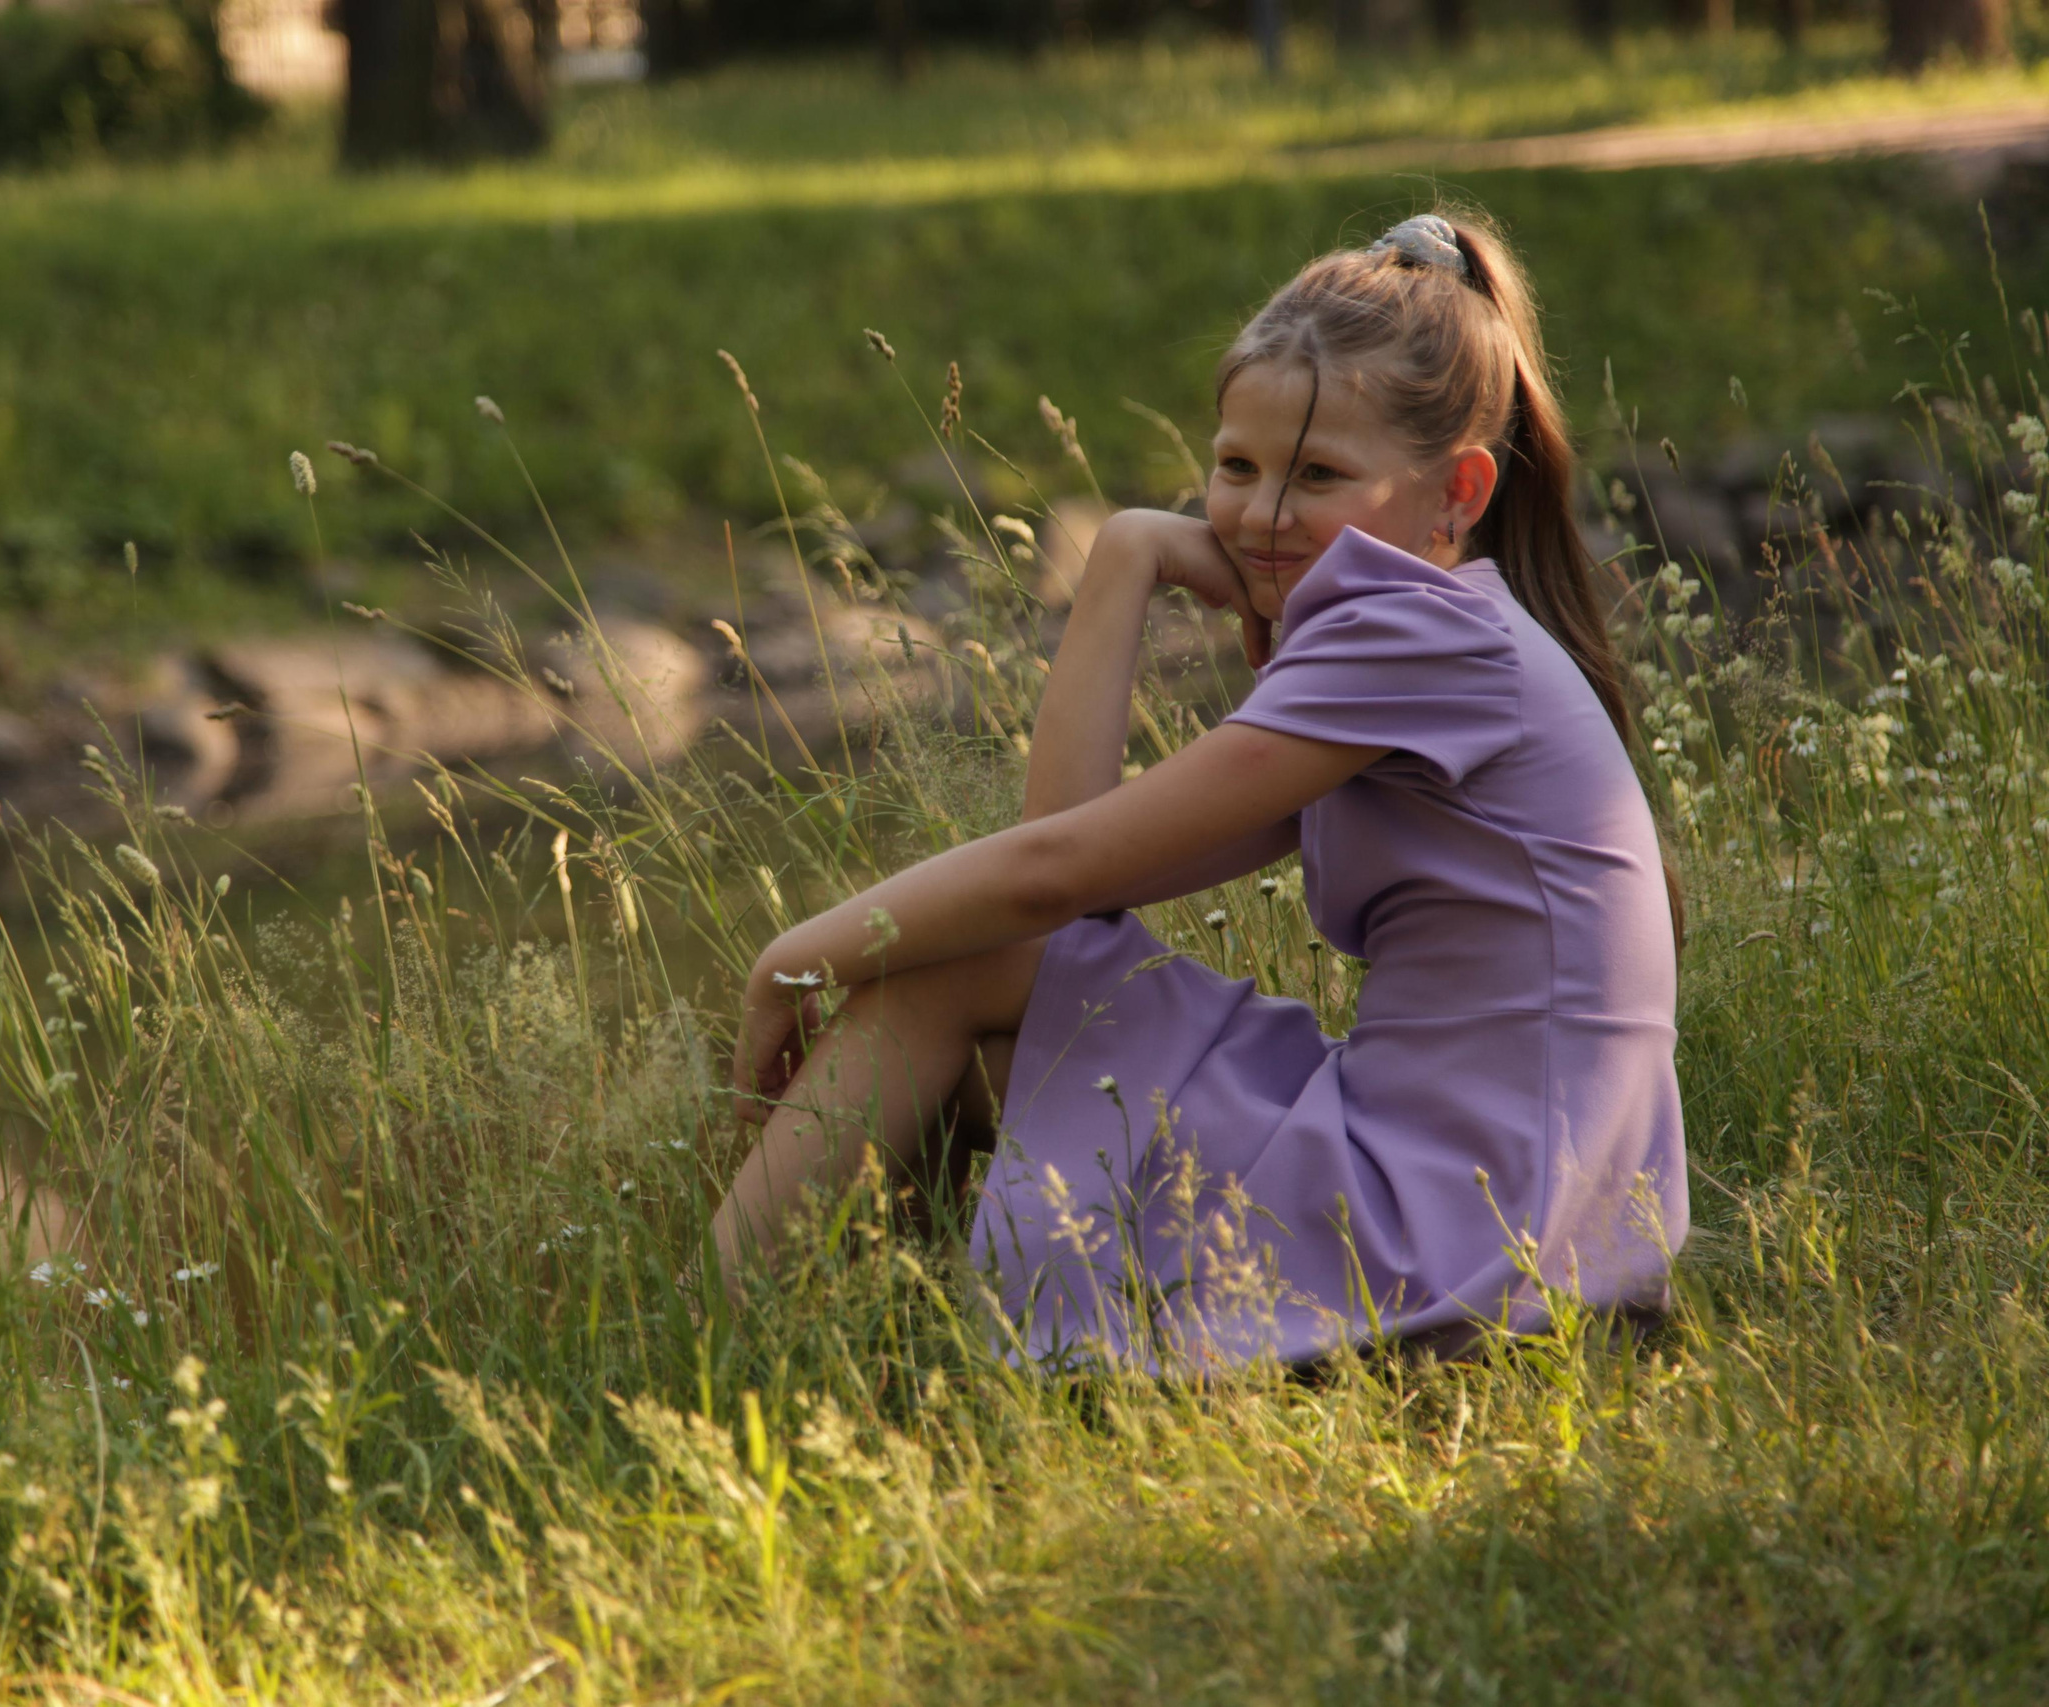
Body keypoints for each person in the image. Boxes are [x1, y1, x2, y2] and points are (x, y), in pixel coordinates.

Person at [714, 209, 1687, 1370]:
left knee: (930, 981)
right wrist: (1126, 558)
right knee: (970, 1029)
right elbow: (1071, 886)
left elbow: (1052, 876)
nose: (1261, 516)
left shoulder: (1415, 642)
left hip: (1475, 1234)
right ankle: (878, 1349)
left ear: (1457, 491)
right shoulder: (1431, 627)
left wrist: (796, 956)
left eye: (1318, 475)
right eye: (1235, 467)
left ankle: (713, 1344)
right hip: (1531, 1212)